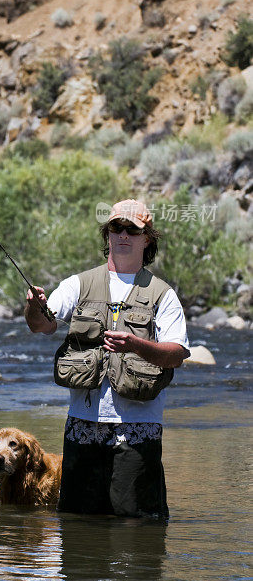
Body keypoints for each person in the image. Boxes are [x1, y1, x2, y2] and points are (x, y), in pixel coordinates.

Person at [24, 199, 189, 520]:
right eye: (116, 227)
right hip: (82, 428)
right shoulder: (78, 284)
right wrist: (33, 305)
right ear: (107, 235)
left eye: (132, 229)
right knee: (76, 527)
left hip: (138, 431)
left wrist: (137, 345)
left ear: (147, 239)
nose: (123, 234)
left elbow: (177, 354)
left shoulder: (163, 294)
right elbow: (42, 325)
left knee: (137, 528)